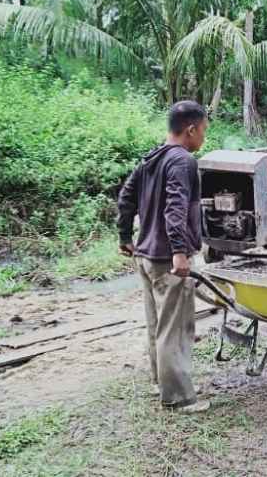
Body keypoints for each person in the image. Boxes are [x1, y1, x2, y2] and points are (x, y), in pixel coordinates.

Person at [117, 100, 210, 413]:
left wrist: (125, 237)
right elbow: (176, 209)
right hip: (167, 260)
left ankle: (161, 381)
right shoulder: (182, 161)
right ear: (191, 129)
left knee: (157, 324)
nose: (204, 138)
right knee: (175, 327)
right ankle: (179, 396)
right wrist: (180, 252)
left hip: (146, 255)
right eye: (204, 131)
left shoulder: (152, 158)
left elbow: (126, 196)